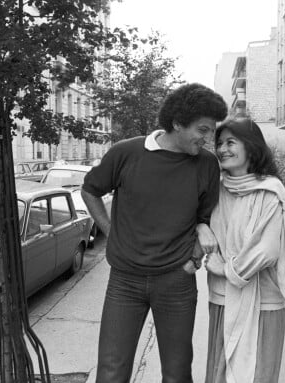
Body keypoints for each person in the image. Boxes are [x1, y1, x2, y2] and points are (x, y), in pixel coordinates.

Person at [81, 83, 228, 383]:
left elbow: (206, 217)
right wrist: (111, 232)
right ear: (176, 123)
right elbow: (90, 190)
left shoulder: (207, 164)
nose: (207, 138)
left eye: (211, 131)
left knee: (177, 374)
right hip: (124, 282)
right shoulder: (126, 153)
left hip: (177, 282)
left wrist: (193, 258)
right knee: (111, 372)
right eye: (202, 129)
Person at [203, 118, 285, 383]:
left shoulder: (270, 191)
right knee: (219, 374)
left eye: (231, 142)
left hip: (263, 304)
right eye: (219, 143)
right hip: (222, 298)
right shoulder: (215, 190)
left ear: (251, 147)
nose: (223, 149)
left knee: (258, 375)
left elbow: (268, 250)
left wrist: (225, 268)